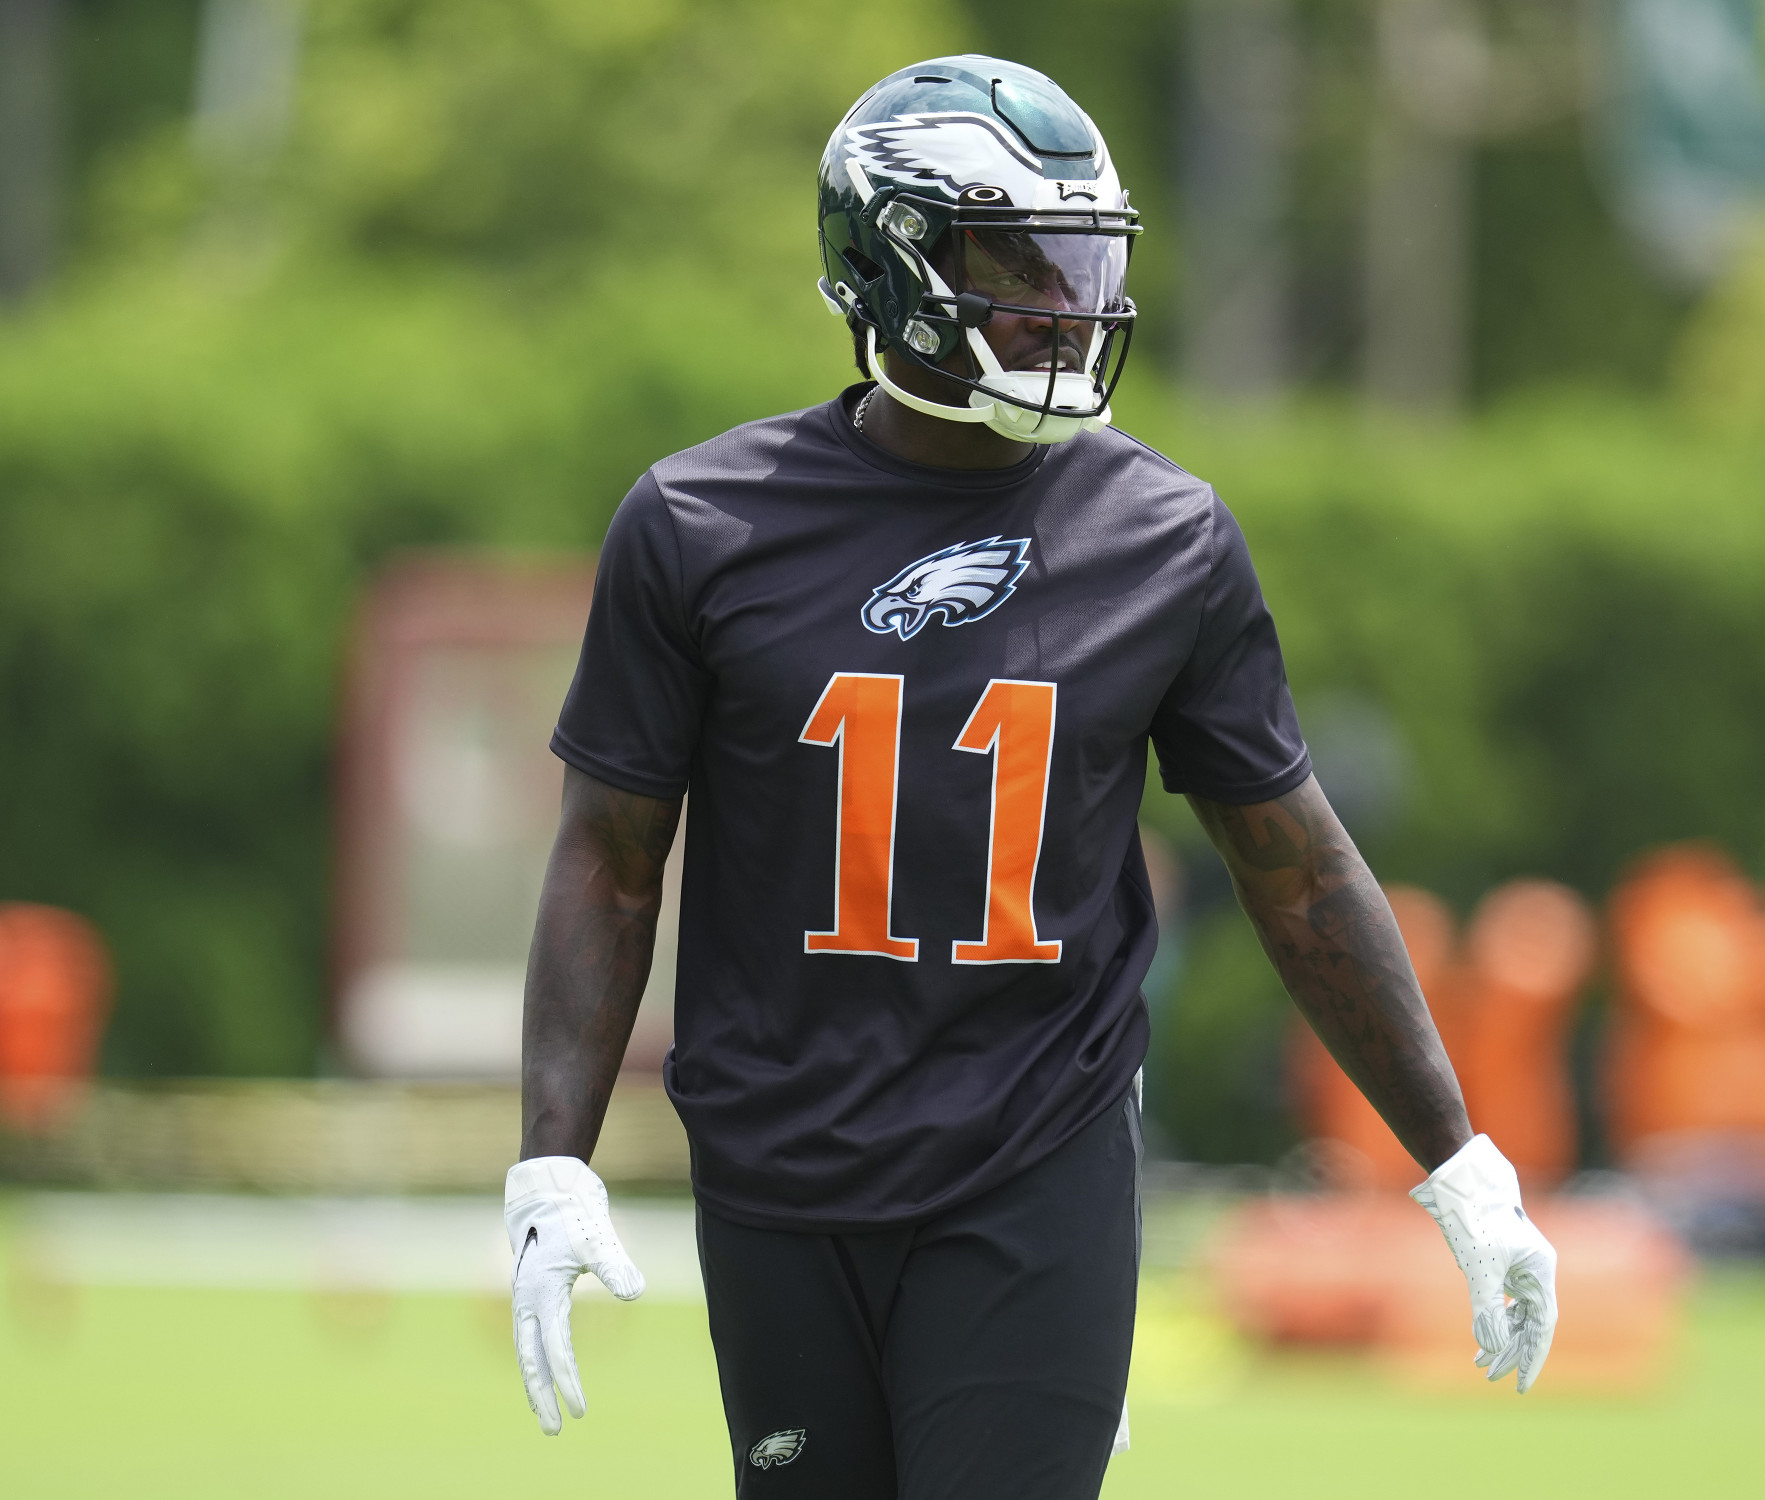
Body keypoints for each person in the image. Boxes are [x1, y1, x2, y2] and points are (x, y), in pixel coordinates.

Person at [503, 55, 1558, 1499]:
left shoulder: (1165, 539)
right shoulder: (700, 524)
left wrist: (1458, 1158)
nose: (1061, 301)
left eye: (1078, 257)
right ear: (888, 268)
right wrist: (551, 1159)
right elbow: (610, 854)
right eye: (1012, 260)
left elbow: (1294, 864)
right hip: (776, 1164)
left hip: (1031, 1156)